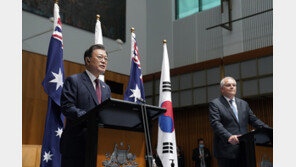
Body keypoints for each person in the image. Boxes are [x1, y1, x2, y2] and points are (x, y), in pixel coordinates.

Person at [60, 44, 111, 167]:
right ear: (88, 60)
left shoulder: (106, 88)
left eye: (106, 58)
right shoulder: (74, 81)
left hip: (97, 147)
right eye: (100, 57)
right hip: (76, 146)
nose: (104, 61)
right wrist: (90, 117)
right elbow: (67, 107)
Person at [209, 76, 269, 167]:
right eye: (228, 85)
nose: (232, 87)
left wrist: (270, 131)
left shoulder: (243, 104)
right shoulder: (216, 103)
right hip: (226, 151)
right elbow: (215, 123)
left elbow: (254, 120)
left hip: (245, 149)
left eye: (234, 85)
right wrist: (229, 137)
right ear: (222, 89)